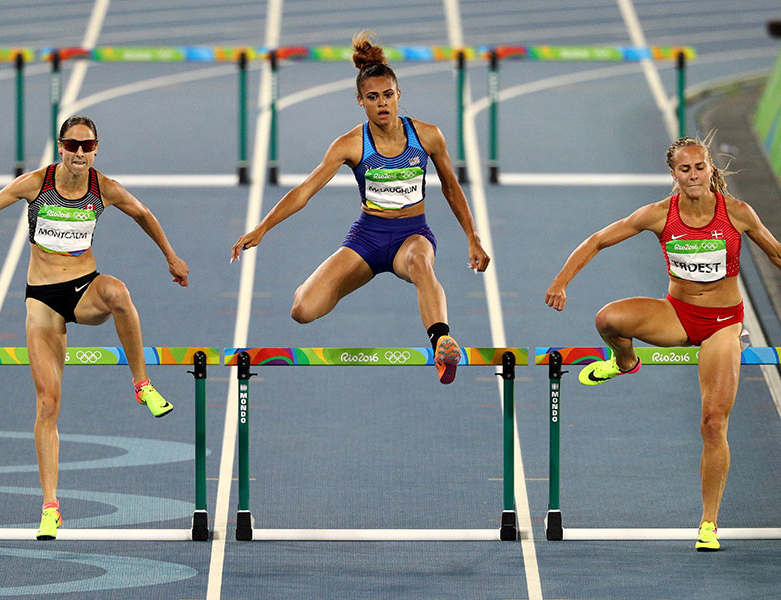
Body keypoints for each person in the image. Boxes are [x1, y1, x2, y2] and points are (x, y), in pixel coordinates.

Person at [544, 136, 781, 551]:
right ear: (673, 174)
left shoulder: (737, 213)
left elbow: (777, 254)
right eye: (685, 169)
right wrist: (561, 282)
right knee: (608, 320)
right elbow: (598, 239)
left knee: (712, 423)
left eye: (700, 167)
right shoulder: (658, 215)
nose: (693, 175)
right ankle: (624, 361)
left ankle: (708, 524)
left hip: (724, 324)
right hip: (678, 314)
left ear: (710, 168)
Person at [231, 31, 489, 384]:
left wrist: (473, 238)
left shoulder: (428, 136)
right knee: (303, 310)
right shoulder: (350, 144)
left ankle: (441, 340)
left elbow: (451, 188)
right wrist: (262, 227)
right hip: (366, 238)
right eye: (372, 97)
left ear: (399, 95)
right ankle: (341, 285)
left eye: (387, 95)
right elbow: (305, 191)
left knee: (419, 262)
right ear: (360, 100)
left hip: (412, 235)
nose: (382, 103)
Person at [0, 115, 189, 540]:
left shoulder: (103, 188)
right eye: (72, 145)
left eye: (87, 146)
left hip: (84, 289)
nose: (80, 153)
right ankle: (51, 507)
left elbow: (143, 214)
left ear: (96, 148)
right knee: (47, 404)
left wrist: (170, 256)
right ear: (60, 146)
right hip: (42, 300)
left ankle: (141, 383)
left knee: (118, 293)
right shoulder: (34, 184)